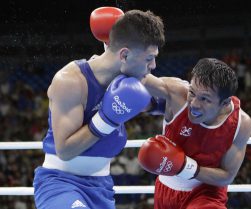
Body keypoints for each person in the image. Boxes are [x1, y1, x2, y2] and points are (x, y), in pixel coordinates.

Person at [33, 7, 165, 209]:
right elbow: (65, 151)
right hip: (60, 183)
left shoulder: (129, 79)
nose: (153, 65)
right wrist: (106, 119)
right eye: (149, 58)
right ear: (124, 55)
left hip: (101, 186)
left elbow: (171, 90)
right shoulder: (70, 81)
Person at [138, 58, 251, 209]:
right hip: (165, 191)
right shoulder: (177, 93)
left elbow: (226, 176)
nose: (194, 104)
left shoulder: (240, 123)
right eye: (192, 93)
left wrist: (184, 166)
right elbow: (137, 76)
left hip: (207, 194)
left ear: (224, 103)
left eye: (204, 99)